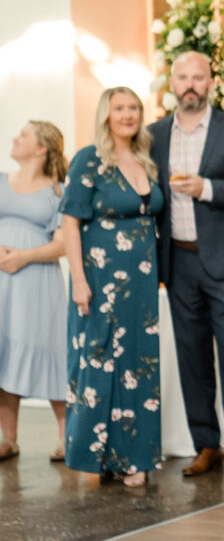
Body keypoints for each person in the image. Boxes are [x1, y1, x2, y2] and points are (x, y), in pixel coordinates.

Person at [148, 51, 224, 480]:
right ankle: (206, 444)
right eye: (182, 77)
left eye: (198, 77)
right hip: (177, 261)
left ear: (210, 83)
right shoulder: (153, 134)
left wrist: (207, 188)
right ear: (172, 82)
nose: (190, 85)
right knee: (191, 356)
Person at [61, 88, 164, 487]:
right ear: (106, 114)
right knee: (100, 361)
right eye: (119, 108)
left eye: (134, 108)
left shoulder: (144, 160)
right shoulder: (89, 159)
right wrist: (79, 282)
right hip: (99, 280)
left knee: (139, 365)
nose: (128, 114)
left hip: (140, 284)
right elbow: (70, 223)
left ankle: (135, 458)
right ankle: (99, 456)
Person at [0, 121, 68, 463]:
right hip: (2, 283)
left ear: (41, 148)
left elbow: (64, 243)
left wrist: (23, 257)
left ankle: (66, 435)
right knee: (5, 351)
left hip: (38, 279)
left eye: (23, 134)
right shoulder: (0, 181)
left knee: (50, 347)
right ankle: (8, 438)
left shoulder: (58, 191)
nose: (15, 137)